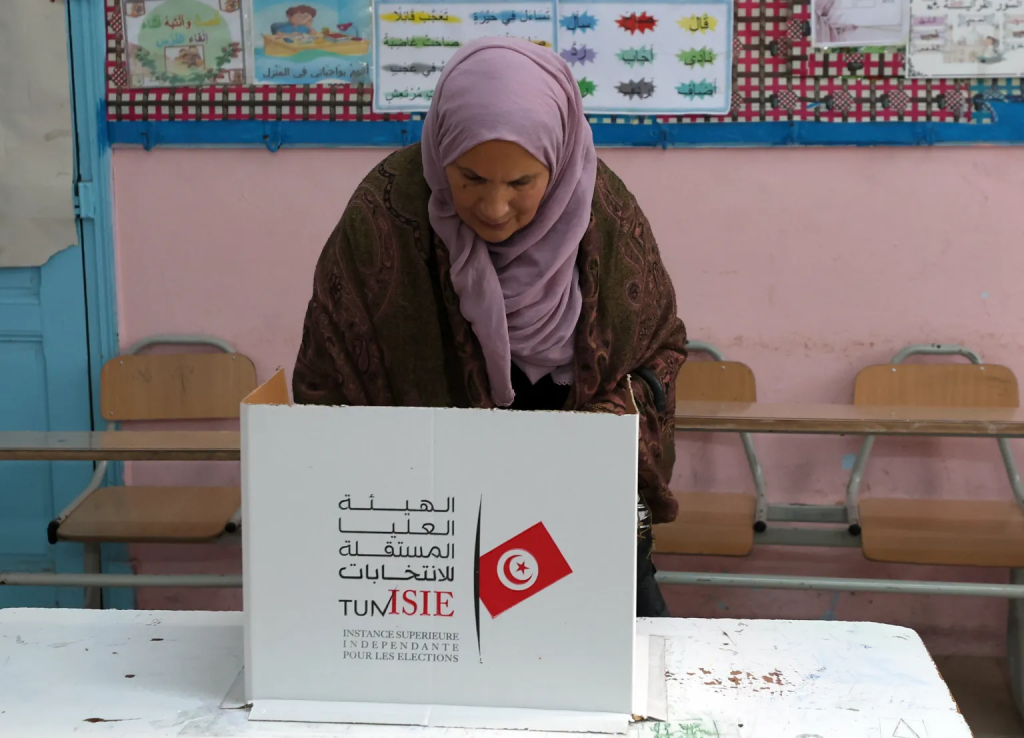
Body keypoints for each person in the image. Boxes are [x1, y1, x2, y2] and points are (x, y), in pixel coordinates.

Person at [292, 37, 688, 617]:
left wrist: (596, 431)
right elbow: (329, 375)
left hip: (583, 532)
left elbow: (661, 351)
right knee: (455, 699)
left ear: (559, 159)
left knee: (609, 695)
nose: (495, 208)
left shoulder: (605, 215)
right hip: (428, 550)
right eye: (471, 178)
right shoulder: (386, 215)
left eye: (523, 183)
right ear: (440, 151)